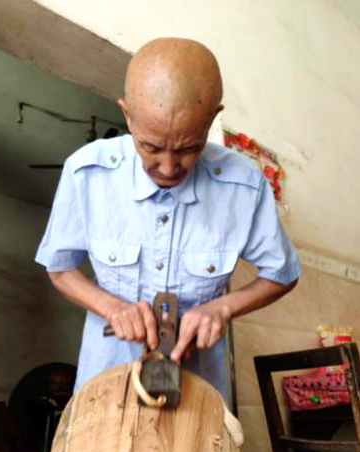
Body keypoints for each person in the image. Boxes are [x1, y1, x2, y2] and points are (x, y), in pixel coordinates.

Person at [35, 37, 301, 407]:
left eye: (188, 148)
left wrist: (221, 308)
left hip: (199, 390)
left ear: (212, 119)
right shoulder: (86, 173)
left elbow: (283, 273)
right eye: (151, 146)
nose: (168, 167)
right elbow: (59, 267)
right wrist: (112, 308)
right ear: (127, 115)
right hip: (105, 382)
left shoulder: (244, 186)